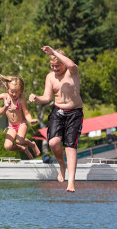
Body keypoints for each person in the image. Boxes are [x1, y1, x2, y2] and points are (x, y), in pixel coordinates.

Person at [29, 46, 83, 192]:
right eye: (52, 66)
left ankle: (71, 181)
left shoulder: (73, 71)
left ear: (63, 63)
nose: (55, 68)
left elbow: (71, 64)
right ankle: (61, 165)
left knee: (71, 146)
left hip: (75, 113)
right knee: (53, 142)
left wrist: (54, 52)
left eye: (57, 65)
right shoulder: (50, 77)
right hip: (58, 112)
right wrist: (36, 99)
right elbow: (46, 98)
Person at [0, 74, 40, 159]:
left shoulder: (21, 100)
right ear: (7, 89)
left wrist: (30, 120)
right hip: (12, 126)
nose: (14, 94)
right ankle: (23, 148)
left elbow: (26, 113)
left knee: (19, 140)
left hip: (22, 124)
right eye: (12, 91)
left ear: (20, 91)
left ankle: (32, 144)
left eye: (16, 92)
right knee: (7, 146)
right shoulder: (4, 96)